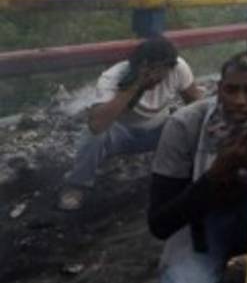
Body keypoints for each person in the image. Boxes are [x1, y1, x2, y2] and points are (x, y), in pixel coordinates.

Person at [147, 51, 247, 283]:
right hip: (203, 224)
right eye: (231, 89)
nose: (240, 100)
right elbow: (159, 223)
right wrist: (215, 175)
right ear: (219, 88)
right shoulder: (184, 124)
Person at [60, 36, 202, 211]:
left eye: (159, 72)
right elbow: (96, 124)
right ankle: (76, 185)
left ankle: (190, 175)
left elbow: (196, 105)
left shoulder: (178, 68)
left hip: (160, 130)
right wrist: (134, 86)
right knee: (92, 136)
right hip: (120, 133)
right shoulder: (112, 78)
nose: (154, 77)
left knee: (189, 124)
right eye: (149, 70)